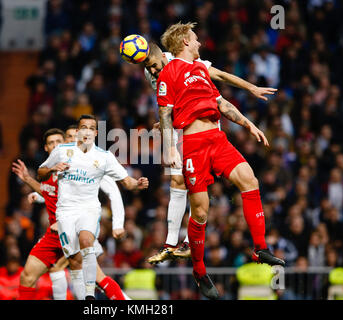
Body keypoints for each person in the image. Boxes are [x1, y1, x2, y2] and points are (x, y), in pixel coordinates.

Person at [156, 22, 284, 299]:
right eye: (195, 39)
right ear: (184, 43)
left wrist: (249, 124)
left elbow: (222, 104)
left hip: (218, 139)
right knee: (200, 211)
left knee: (250, 179)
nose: (199, 42)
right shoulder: (169, 71)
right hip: (192, 145)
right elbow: (165, 113)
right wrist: (169, 149)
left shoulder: (201, 70)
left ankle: (260, 247)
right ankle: (200, 272)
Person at [142, 41, 277, 264]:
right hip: (183, 130)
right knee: (179, 182)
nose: (153, 71)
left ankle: (184, 244)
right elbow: (172, 104)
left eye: (154, 66)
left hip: (209, 130)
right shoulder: (152, 74)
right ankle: (171, 244)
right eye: (148, 69)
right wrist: (166, 124)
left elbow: (221, 78)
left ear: (160, 54)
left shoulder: (185, 60)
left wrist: (251, 88)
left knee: (208, 194)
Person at [38, 114, 149, 300]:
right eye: (83, 127)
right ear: (78, 131)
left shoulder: (104, 157)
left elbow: (125, 182)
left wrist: (137, 183)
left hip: (89, 209)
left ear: (96, 133)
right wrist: (52, 168)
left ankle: (90, 294)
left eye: (91, 128)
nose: (87, 131)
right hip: (65, 212)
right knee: (74, 260)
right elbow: (41, 173)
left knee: (86, 241)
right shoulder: (62, 151)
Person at [15, 128, 129, 300]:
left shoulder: (81, 166)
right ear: (45, 148)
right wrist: (29, 181)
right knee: (28, 276)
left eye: (59, 142)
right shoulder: (50, 170)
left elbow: (102, 195)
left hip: (74, 231)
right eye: (51, 143)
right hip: (54, 236)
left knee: (95, 278)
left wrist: (117, 224)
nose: (55, 145)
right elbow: (49, 192)